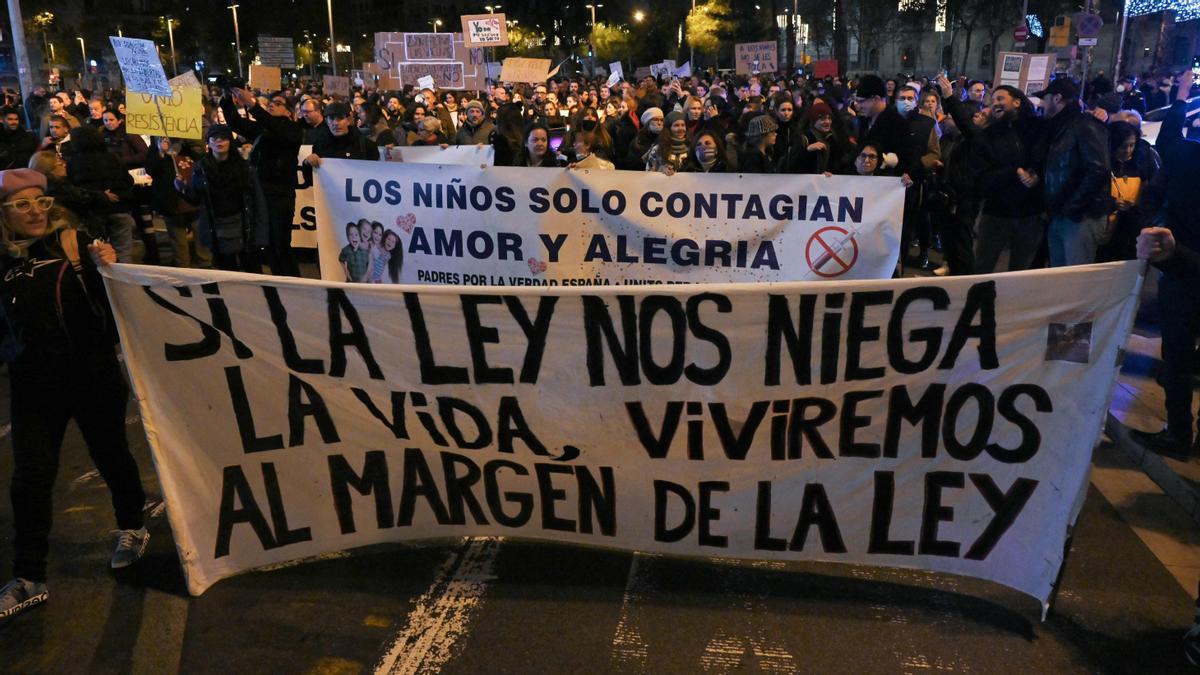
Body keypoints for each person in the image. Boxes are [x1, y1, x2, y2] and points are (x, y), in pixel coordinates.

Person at [0, 169, 148, 622]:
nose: (36, 212)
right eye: (22, 205)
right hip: (32, 385)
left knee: (112, 456)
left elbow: (113, 303)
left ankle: (132, 526)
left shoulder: (73, 243)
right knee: (29, 478)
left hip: (91, 376)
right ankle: (28, 577)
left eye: (40, 202)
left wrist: (108, 267)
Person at [1131, 69, 1200, 459]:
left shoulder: (1188, 157)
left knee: (1176, 356)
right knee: (1176, 356)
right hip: (1182, 265)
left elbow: (1171, 140)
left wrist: (1181, 96)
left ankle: (1178, 433)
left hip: (1182, 265)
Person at [942, 77, 1045, 274]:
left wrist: (1035, 173)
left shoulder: (1037, 128)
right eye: (993, 100)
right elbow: (982, 175)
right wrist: (1014, 172)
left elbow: (1046, 157)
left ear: (1017, 102)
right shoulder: (989, 136)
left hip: (1029, 215)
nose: (995, 103)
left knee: (1021, 272)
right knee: (982, 268)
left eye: (1000, 98)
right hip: (996, 213)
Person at [221, 88, 304, 277]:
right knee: (267, 242)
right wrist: (227, 100)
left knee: (280, 242)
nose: (272, 106)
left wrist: (252, 104)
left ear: (289, 112)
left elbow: (278, 128)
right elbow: (236, 123)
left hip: (280, 194)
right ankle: (279, 280)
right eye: (270, 104)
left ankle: (295, 282)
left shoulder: (293, 129)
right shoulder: (263, 129)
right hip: (260, 192)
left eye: (278, 104)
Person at [1033, 76, 1111, 267]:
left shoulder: (1084, 125)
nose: (1043, 104)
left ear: (1057, 98)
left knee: (1076, 279)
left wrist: (1072, 207)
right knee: (1061, 277)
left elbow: (1098, 169)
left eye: (1046, 98)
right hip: (1063, 213)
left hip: (1080, 217)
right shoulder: (1060, 127)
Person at [174, 125, 269, 273]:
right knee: (227, 272)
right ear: (209, 143)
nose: (219, 141)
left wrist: (261, 233)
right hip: (217, 228)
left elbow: (258, 200)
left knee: (252, 270)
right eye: (214, 138)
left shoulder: (244, 168)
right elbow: (196, 199)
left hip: (243, 226)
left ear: (230, 141)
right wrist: (183, 188)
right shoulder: (201, 168)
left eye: (223, 138)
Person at [64, 125, 136, 263]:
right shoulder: (112, 157)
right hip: (119, 209)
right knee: (123, 253)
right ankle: (124, 281)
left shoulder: (74, 163)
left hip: (93, 213)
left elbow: (74, 189)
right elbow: (128, 180)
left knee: (99, 254)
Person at [304, 102, 380, 165]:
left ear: (349, 120)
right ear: (327, 121)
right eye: (331, 118)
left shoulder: (366, 146)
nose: (335, 123)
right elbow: (312, 178)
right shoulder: (320, 145)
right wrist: (307, 163)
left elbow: (376, 174)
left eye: (340, 118)